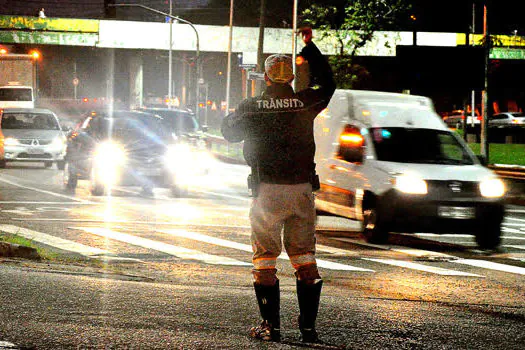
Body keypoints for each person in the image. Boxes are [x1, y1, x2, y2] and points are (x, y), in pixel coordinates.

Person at [221, 26, 335, 343]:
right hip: (301, 190)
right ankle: (309, 329)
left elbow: (229, 133)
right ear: (290, 79)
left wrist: (235, 114)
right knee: (305, 258)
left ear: (268, 78)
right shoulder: (306, 103)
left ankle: (272, 327)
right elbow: (329, 84)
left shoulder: (252, 107)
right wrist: (310, 47)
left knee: (265, 259)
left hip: (266, 190)